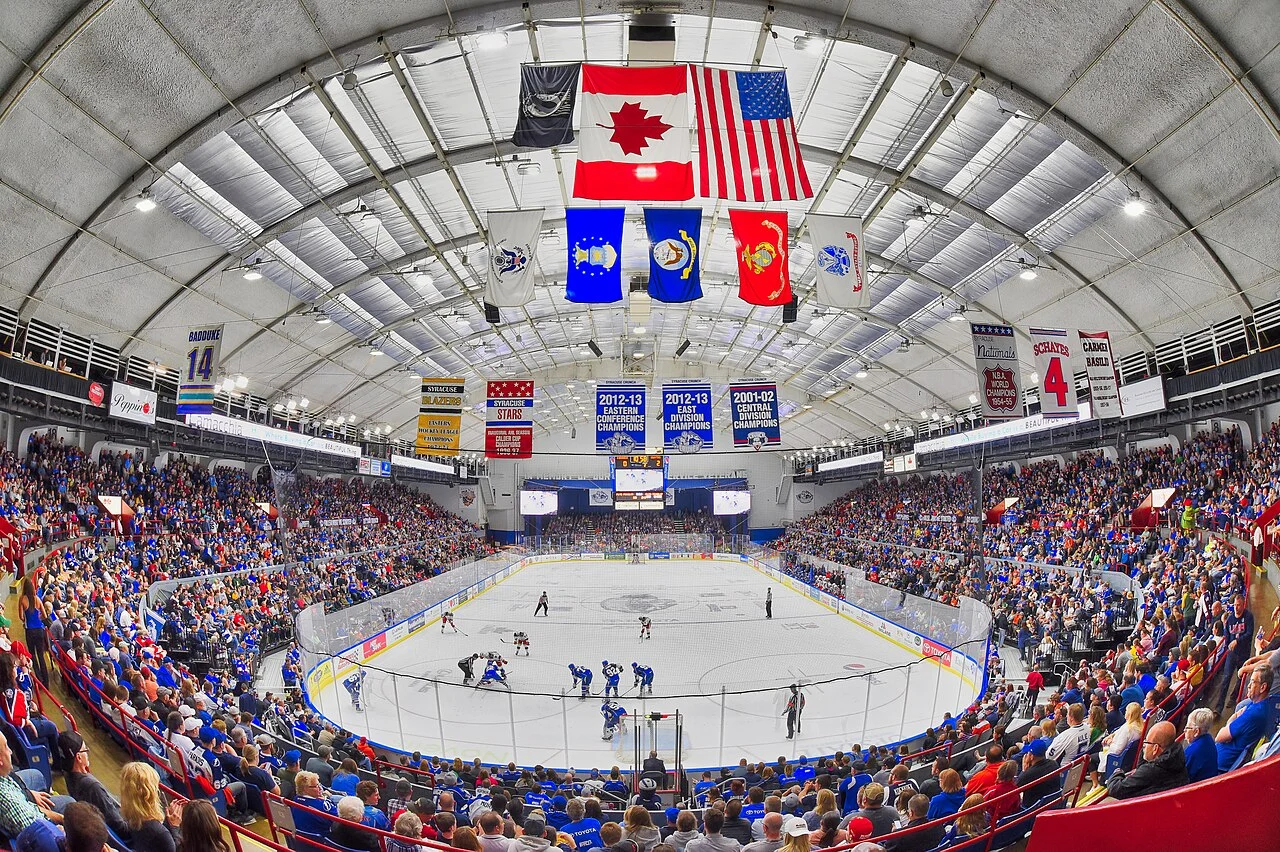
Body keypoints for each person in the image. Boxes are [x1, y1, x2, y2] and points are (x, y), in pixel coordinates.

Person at [58, 731, 130, 839]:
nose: (87, 753)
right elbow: (119, 827)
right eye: (85, 750)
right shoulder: (92, 787)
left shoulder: (67, 773)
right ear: (78, 757)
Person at [1106, 721, 1188, 800]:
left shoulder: (1152, 770)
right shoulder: (1175, 759)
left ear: (1155, 749)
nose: (1143, 745)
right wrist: (1148, 749)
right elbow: (1140, 768)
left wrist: (1117, 773)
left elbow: (1115, 789)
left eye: (1146, 742)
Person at [1216, 666, 1274, 770]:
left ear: (1263, 687)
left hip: (1220, 766)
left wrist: (1233, 719)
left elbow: (1219, 737)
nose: (1248, 686)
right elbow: (1236, 715)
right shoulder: (1258, 703)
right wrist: (1235, 717)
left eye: (1252, 682)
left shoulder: (1253, 713)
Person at [119, 762, 176, 852]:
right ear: (151, 793)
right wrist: (175, 828)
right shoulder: (160, 834)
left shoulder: (127, 819)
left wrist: (168, 824)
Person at [291, 771, 339, 838]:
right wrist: (327, 800)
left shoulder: (295, 801)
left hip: (303, 841)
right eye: (316, 786)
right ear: (306, 789)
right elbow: (339, 817)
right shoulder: (322, 805)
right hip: (325, 842)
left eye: (319, 784)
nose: (320, 788)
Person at [1013, 741, 1060, 808]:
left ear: (1031, 756)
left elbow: (1015, 787)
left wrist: (1024, 770)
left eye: (1028, 753)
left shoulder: (1029, 774)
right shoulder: (1054, 764)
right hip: (1052, 804)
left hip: (1033, 809)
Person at [1182, 708, 1221, 783]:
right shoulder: (1209, 738)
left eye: (1187, 727)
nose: (1184, 730)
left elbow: (1183, 779)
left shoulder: (1192, 752)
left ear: (1196, 731)